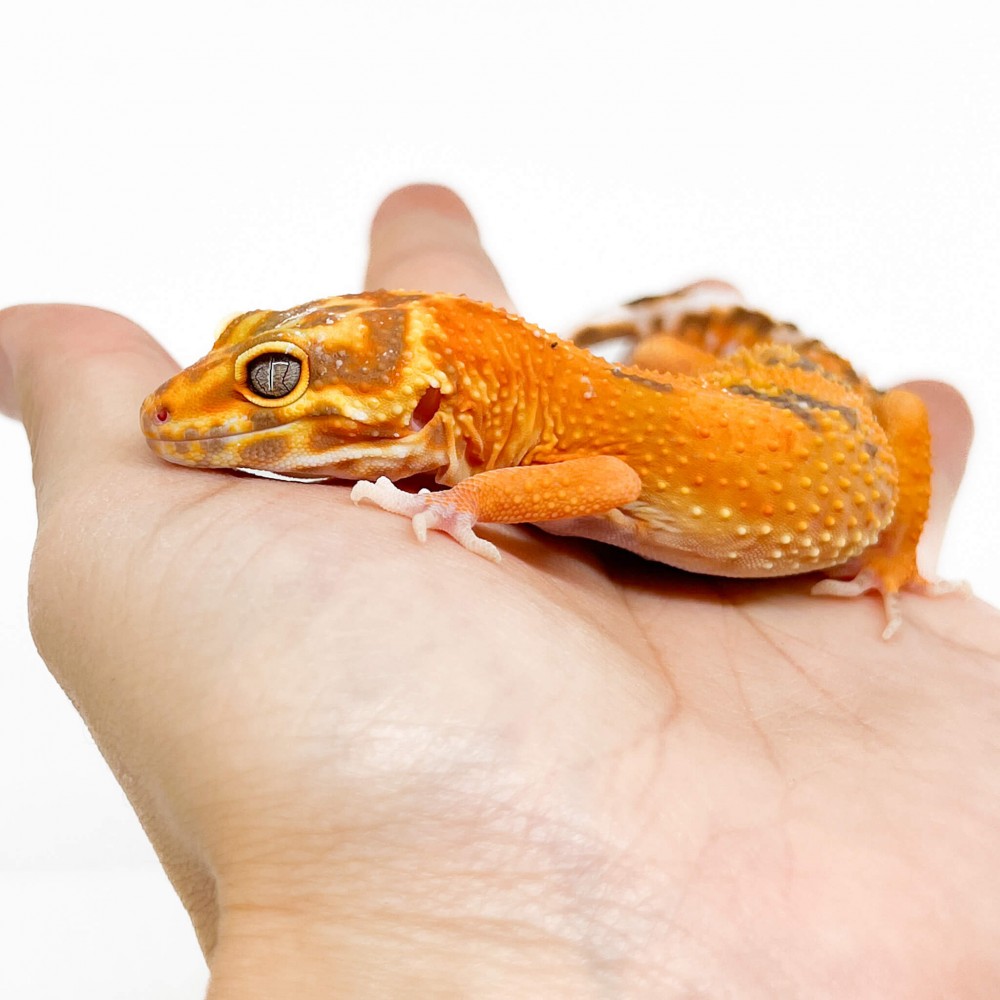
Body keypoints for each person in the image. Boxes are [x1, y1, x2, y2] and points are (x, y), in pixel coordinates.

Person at [1, 185, 997, 998]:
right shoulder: (544, 410)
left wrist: (462, 501)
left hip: (815, 421)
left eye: (272, 379)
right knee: (658, 363)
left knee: (903, 410)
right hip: (734, 397)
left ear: (433, 405)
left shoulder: (559, 448)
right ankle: (681, 338)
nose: (193, 401)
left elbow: (613, 481)